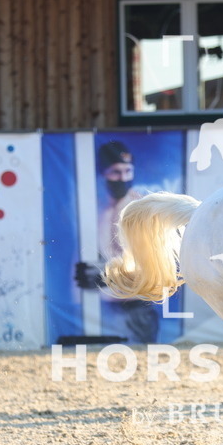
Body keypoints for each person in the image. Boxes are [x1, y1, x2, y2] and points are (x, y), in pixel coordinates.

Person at [74, 140, 160, 344]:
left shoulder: (139, 209)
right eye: (115, 171)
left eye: (128, 170)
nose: (123, 178)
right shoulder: (97, 209)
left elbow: (153, 262)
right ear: (103, 173)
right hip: (102, 308)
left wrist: (108, 273)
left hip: (137, 307)